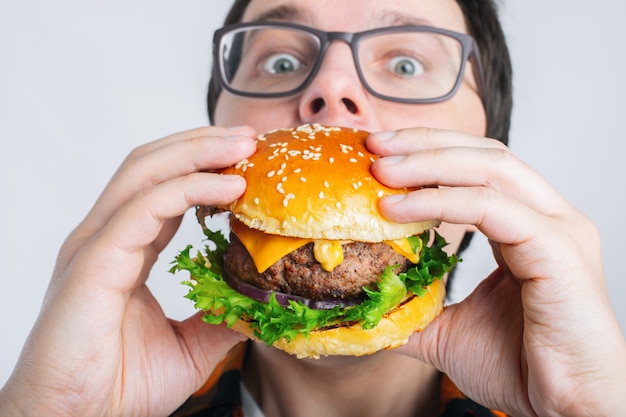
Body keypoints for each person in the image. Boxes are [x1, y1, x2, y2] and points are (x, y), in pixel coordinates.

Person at [1, 0, 625, 416]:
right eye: (280, 61)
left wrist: (590, 406)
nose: (331, 88)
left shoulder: (570, 403)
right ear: (215, 130)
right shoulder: (111, 398)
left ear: (495, 145)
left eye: (406, 62)